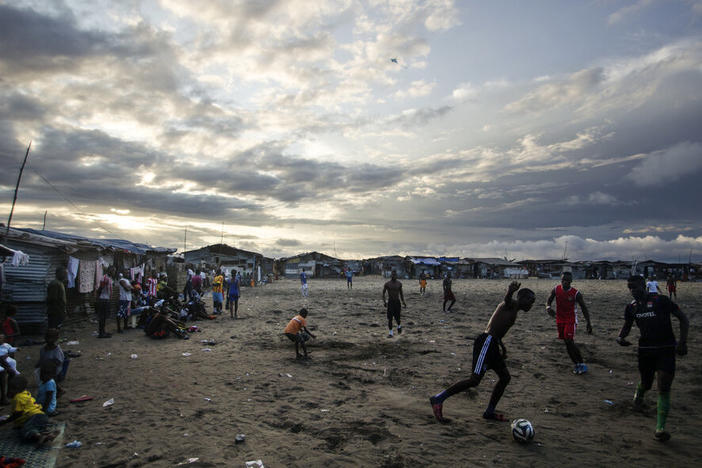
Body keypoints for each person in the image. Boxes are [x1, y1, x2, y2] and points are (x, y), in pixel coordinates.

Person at [429, 281, 536, 423]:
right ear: (522, 298)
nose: (531, 304)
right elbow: (506, 301)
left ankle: (489, 412)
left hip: (493, 344)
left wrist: (502, 347)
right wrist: (510, 291)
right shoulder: (511, 304)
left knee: (505, 378)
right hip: (486, 342)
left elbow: (498, 328)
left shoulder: (515, 309)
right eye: (530, 300)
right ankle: (438, 399)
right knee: (474, 380)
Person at [616, 275, 688, 442]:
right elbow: (627, 326)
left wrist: (682, 342)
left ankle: (660, 428)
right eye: (629, 287)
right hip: (645, 351)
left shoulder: (661, 301)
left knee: (663, 386)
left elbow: (683, 319)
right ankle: (639, 396)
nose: (633, 290)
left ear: (644, 286)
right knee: (647, 383)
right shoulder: (631, 307)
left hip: (666, 349)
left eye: (635, 286)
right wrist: (620, 338)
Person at [545, 271, 593, 374]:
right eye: (563, 280)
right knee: (567, 343)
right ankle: (576, 364)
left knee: (569, 340)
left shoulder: (576, 294)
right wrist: (548, 307)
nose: (565, 282)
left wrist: (588, 322)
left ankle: (582, 363)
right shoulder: (556, 289)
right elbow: (548, 300)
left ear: (571, 281)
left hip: (571, 319)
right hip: (560, 319)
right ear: (561, 280)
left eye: (567, 280)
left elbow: (584, 308)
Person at [0, 375, 58, 446]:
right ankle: (47, 435)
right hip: (41, 416)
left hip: (34, 417)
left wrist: (6, 421)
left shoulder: (17, 398)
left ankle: (39, 436)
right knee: (33, 428)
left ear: (16, 389)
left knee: (25, 432)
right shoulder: (26, 393)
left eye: (10, 389)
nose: (9, 391)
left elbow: (18, 414)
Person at [382, 270, 406, 337]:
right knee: (390, 318)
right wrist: (384, 302)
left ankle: (399, 326)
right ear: (391, 276)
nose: (394, 276)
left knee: (397, 317)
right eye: (392, 275)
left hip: (397, 302)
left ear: (396, 276)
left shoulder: (399, 284)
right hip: (390, 302)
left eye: (395, 275)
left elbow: (401, 293)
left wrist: (403, 302)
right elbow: (383, 293)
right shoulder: (387, 284)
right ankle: (391, 333)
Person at [96, 266, 114, 338]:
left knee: (104, 317)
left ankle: (103, 332)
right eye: (112, 270)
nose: (114, 272)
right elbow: (100, 289)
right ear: (109, 270)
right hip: (103, 300)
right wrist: (98, 299)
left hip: (106, 299)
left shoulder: (109, 279)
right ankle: (101, 333)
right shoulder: (105, 278)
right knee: (102, 317)